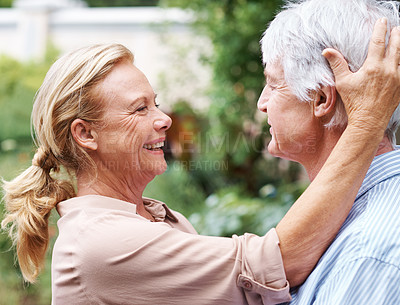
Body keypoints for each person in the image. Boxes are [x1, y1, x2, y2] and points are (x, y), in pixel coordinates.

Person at [1, 19, 400, 305]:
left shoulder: (155, 219)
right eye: (139, 109)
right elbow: (274, 263)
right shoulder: (101, 244)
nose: (164, 119)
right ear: (85, 134)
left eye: (154, 103)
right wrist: (367, 119)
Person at [259, 0, 400, 304]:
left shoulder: (367, 255)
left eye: (272, 84)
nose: (262, 103)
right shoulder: (349, 217)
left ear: (321, 98)